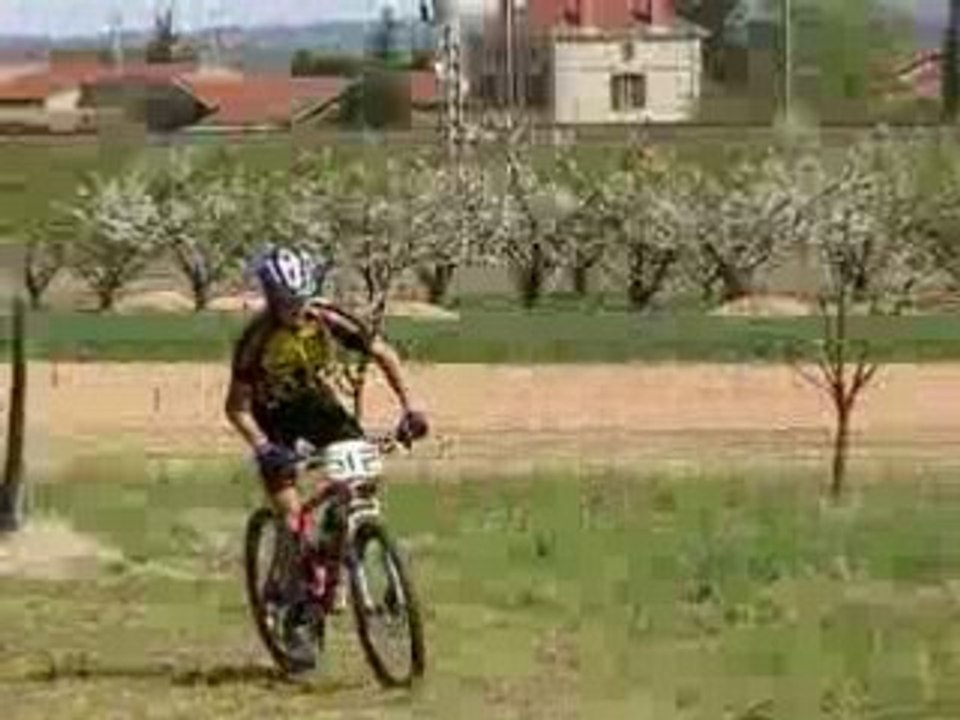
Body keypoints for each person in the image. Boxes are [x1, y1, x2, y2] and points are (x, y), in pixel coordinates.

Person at [224, 245, 428, 672]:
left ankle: (350, 536)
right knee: (292, 517)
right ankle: (294, 607)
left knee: (363, 474)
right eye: (285, 302)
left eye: (300, 299)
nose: (295, 310)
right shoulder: (255, 339)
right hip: (271, 421)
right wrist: (264, 448)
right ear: (270, 297)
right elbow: (237, 408)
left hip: (316, 406)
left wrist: (410, 409)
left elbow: (384, 354)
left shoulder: (326, 317)